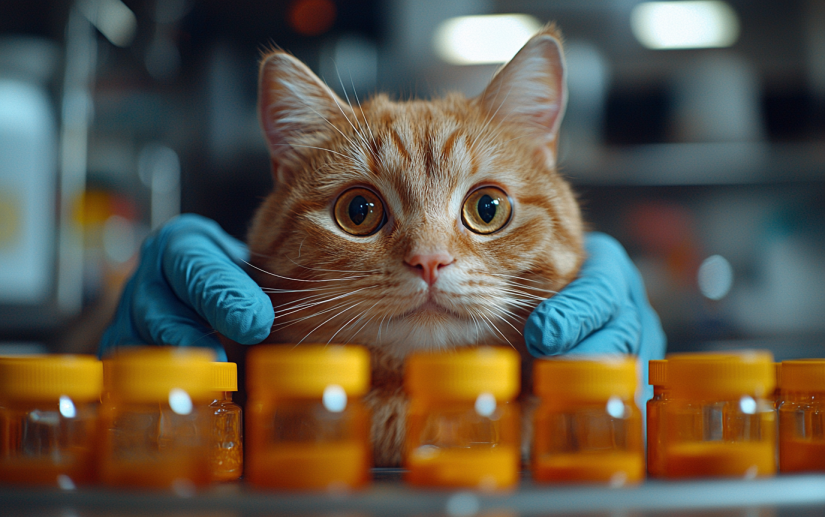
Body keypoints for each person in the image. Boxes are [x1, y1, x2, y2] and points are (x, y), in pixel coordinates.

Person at [99, 214, 666, 398]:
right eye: (361, 211)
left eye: (487, 208)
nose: (429, 256)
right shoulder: (253, 399)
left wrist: (642, 402)